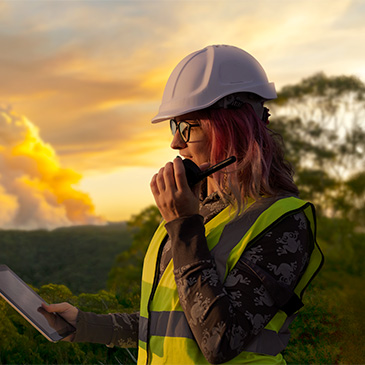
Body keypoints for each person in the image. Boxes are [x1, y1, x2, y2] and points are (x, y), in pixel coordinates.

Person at [44, 45, 324, 364]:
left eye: (187, 126)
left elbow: (220, 338)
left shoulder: (282, 223)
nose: (175, 143)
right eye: (173, 126)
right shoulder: (199, 211)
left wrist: (184, 227)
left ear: (234, 127)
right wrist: (84, 325)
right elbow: (171, 324)